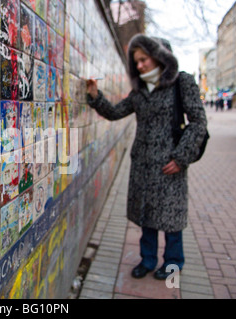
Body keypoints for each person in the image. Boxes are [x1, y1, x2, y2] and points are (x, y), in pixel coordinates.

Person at [86, 34, 208, 280]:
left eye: (144, 59)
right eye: (136, 61)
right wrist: (95, 96)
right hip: (142, 164)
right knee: (147, 217)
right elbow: (115, 112)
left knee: (171, 221)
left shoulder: (181, 82)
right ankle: (148, 260)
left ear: (159, 56)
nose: (139, 65)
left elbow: (198, 122)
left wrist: (181, 158)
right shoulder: (139, 91)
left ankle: (173, 263)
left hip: (170, 165)